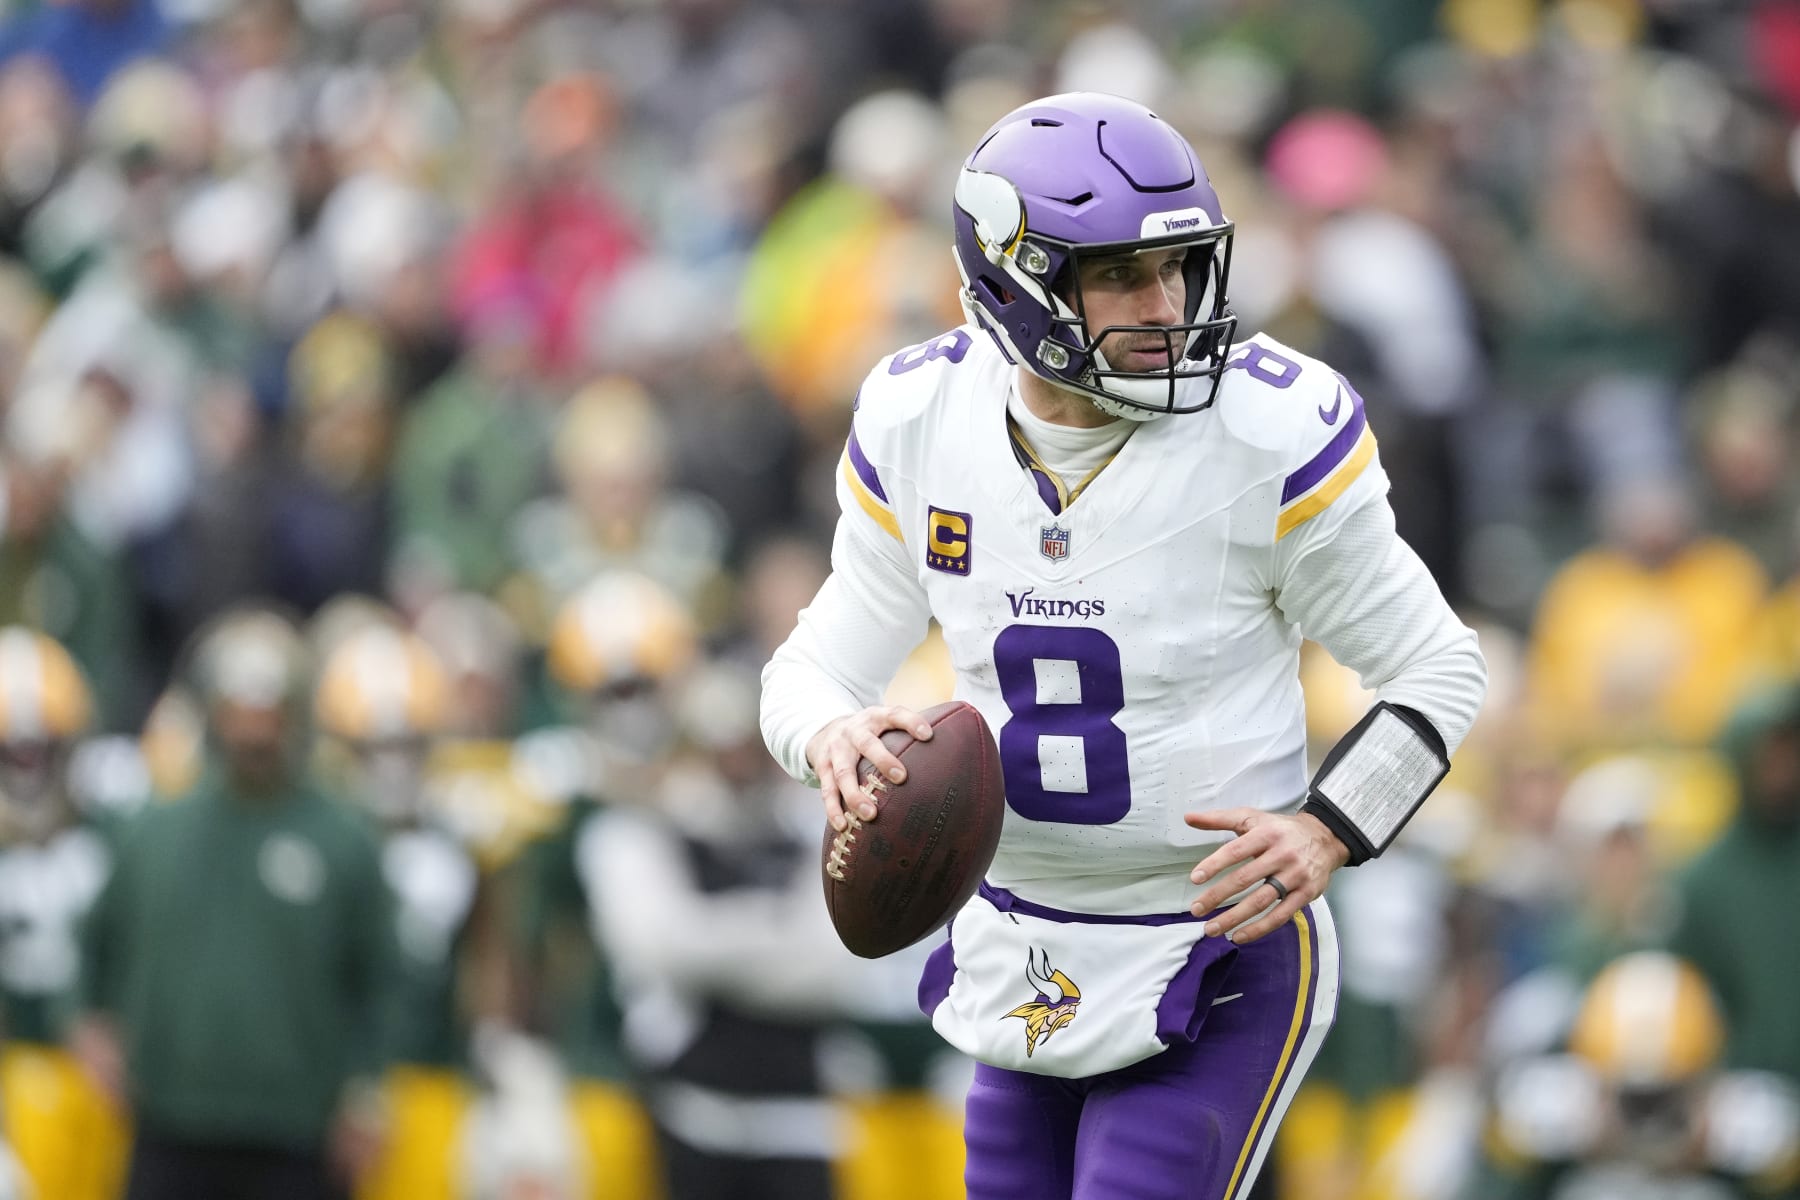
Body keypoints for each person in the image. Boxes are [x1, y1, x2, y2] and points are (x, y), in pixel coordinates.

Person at [760, 92, 1488, 1200]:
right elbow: (807, 671)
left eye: (1180, 267)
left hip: (1213, 949)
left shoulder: (1269, 431)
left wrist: (1331, 828)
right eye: (1117, 276)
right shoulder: (922, 419)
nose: (1165, 304)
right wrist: (831, 735)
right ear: (1015, 281)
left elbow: (1438, 667)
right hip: (1021, 944)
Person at [73, 608, 393, 1200]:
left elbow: (381, 977)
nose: (253, 733)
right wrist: (93, 1023)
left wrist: (367, 1089)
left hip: (297, 1128)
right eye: (238, 712)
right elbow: (97, 944)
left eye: (269, 714)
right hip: (170, 1116)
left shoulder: (343, 837)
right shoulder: (154, 829)